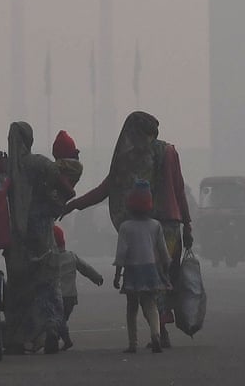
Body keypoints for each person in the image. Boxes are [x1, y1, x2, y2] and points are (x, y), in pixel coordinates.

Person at [64, 112, 192, 347]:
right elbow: (179, 189)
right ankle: (161, 330)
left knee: (150, 282)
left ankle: (160, 331)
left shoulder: (129, 159)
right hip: (171, 225)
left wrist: (75, 205)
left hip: (146, 228)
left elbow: (104, 190)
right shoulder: (169, 152)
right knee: (162, 278)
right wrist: (188, 224)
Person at [3, 121, 72, 354]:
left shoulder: (5, 168)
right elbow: (57, 175)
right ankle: (51, 328)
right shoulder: (38, 163)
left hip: (16, 237)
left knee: (19, 288)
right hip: (42, 232)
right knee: (47, 284)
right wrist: (53, 195)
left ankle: (16, 339)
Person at [113, 179, 171, 354]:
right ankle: (155, 335)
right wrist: (165, 273)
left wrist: (117, 275)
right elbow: (163, 252)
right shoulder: (155, 225)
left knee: (132, 307)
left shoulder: (125, 227)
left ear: (130, 205)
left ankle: (133, 343)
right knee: (150, 304)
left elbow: (121, 254)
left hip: (132, 271)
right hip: (150, 269)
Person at [54, 224, 104, 351]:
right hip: (70, 296)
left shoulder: (49, 259)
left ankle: (64, 340)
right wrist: (97, 277)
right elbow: (85, 268)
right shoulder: (71, 256)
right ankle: (57, 339)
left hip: (56, 296)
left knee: (57, 320)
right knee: (62, 319)